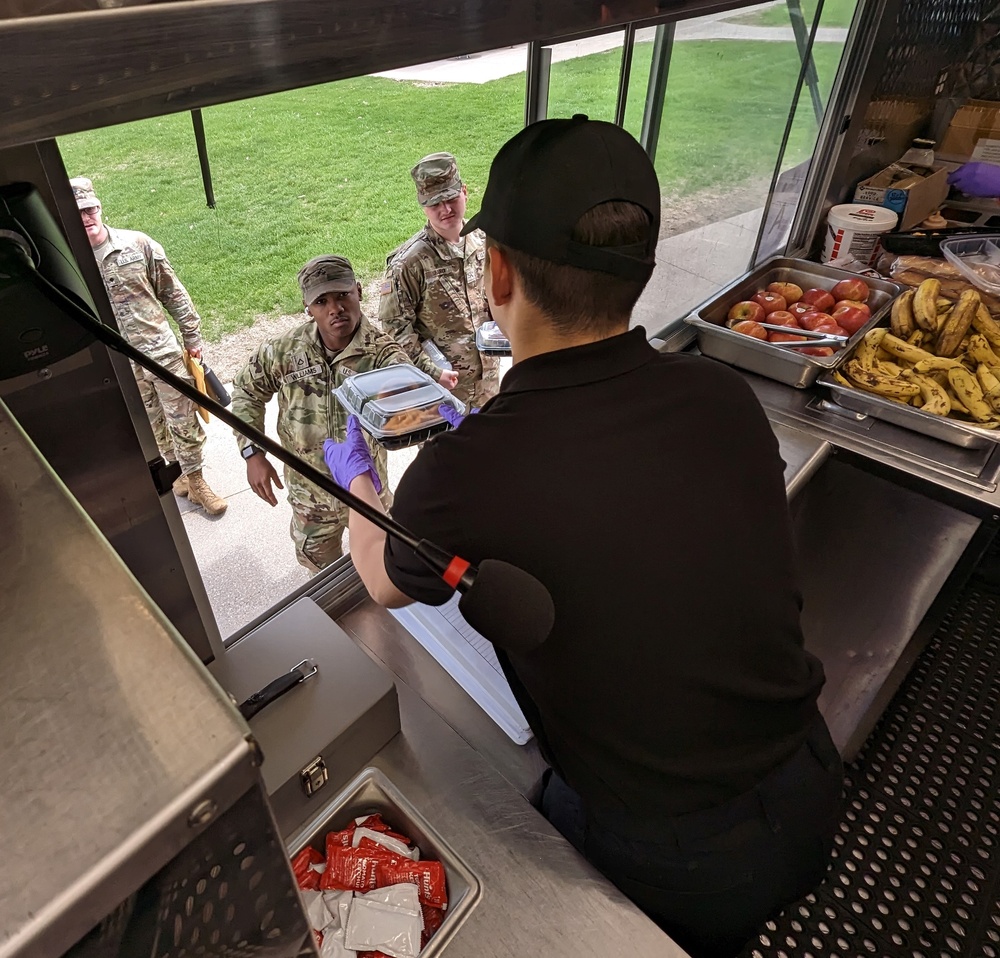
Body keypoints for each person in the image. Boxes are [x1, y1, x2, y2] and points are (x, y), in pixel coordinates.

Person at [323, 116, 844, 958]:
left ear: (494, 273)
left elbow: (380, 577)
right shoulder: (721, 395)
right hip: (810, 784)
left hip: (672, 855)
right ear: (640, 271)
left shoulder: (469, 472)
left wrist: (356, 477)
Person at [230, 255, 408, 572]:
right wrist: (251, 452)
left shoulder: (384, 355)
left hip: (367, 493)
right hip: (308, 498)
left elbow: (410, 412)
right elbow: (247, 390)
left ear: (359, 291)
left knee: (386, 569)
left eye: (342, 295)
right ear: (307, 307)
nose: (335, 308)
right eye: (322, 301)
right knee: (322, 578)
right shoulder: (283, 351)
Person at [70, 176, 227, 516]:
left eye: (90, 209)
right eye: (78, 212)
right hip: (118, 362)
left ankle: (198, 480)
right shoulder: (71, 262)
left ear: (99, 207)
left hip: (160, 353)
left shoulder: (136, 245)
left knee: (182, 417)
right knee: (151, 420)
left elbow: (173, 293)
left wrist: (192, 338)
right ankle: (179, 473)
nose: (87, 218)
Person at [379, 151, 499, 408]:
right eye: (434, 203)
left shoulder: (485, 241)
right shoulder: (409, 264)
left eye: (451, 198)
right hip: (443, 392)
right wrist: (431, 371)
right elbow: (394, 329)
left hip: (489, 385)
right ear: (422, 205)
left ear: (464, 191)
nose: (445, 209)